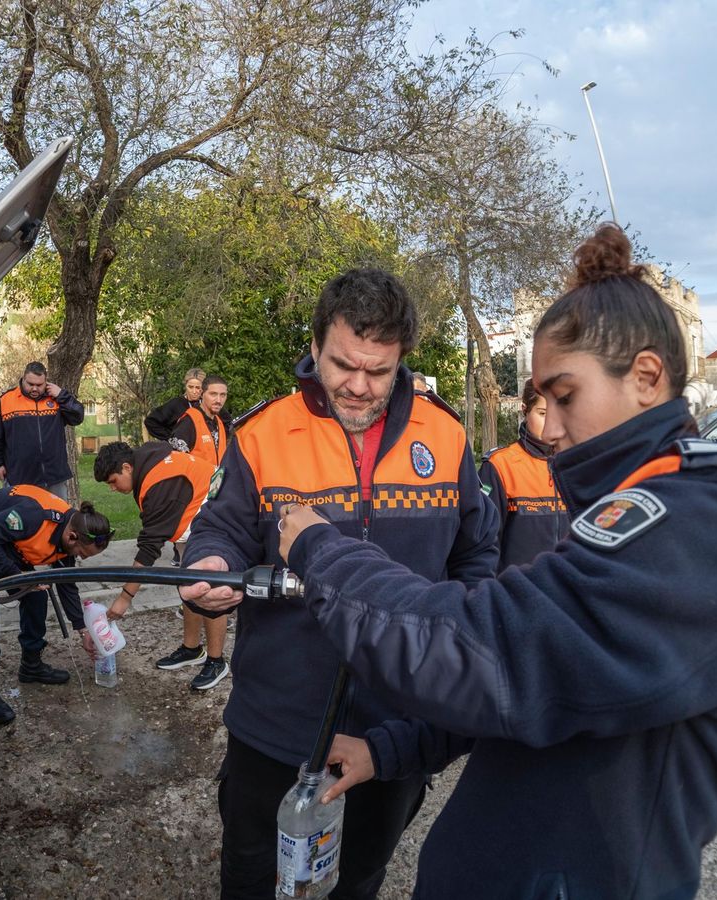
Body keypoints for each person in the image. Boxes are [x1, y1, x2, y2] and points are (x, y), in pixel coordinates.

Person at [249, 224, 717, 898]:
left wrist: (321, 550)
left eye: (566, 396)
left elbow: (485, 650)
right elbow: (553, 682)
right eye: (544, 400)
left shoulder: (689, 529)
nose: (550, 426)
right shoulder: (647, 502)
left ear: (647, 377)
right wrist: (389, 749)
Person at [178, 268, 500, 898]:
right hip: (275, 724)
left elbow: (477, 556)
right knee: (253, 875)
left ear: (404, 358)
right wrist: (210, 565)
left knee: (357, 879)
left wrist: (446, 663)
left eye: (378, 371)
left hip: (393, 729)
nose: (358, 386)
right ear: (317, 342)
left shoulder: (447, 434)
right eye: (342, 365)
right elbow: (219, 530)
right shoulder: (265, 431)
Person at [0, 485, 112, 725]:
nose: (81, 557)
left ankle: (31, 665)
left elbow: (66, 583)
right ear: (72, 536)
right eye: (82, 552)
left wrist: (83, 630)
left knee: (36, 596)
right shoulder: (33, 517)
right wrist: (17, 576)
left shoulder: (71, 531)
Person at [92, 440, 229, 691]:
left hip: (217, 517)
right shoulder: (145, 458)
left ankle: (216, 660)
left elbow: (149, 549)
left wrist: (125, 598)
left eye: (112, 481)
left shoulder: (160, 484)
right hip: (195, 515)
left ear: (126, 467)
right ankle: (192, 649)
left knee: (211, 589)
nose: (112, 489)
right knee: (189, 584)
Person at [478, 377, 570, 570]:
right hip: (516, 592)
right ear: (524, 410)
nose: (552, 422)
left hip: (568, 591)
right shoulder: (500, 465)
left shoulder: (578, 464)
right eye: (543, 413)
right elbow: (482, 543)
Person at [0, 361, 85, 498]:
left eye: (39, 385)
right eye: (30, 384)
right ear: (23, 379)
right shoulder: (4, 401)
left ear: (46, 382)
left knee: (57, 517)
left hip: (54, 478)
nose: (35, 389)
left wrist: (61, 395)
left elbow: (78, 416)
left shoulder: (55, 399)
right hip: (19, 478)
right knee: (22, 518)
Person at [170, 375, 230, 467]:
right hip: (195, 480)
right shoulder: (189, 421)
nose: (218, 400)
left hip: (217, 480)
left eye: (223, 395)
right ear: (202, 393)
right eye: (213, 394)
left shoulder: (219, 422)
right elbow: (175, 463)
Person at [144, 367, 207, 442]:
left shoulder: (208, 405)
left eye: (197, 388)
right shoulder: (176, 404)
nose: (194, 391)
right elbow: (150, 421)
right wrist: (171, 438)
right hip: (181, 451)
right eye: (190, 387)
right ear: (185, 386)